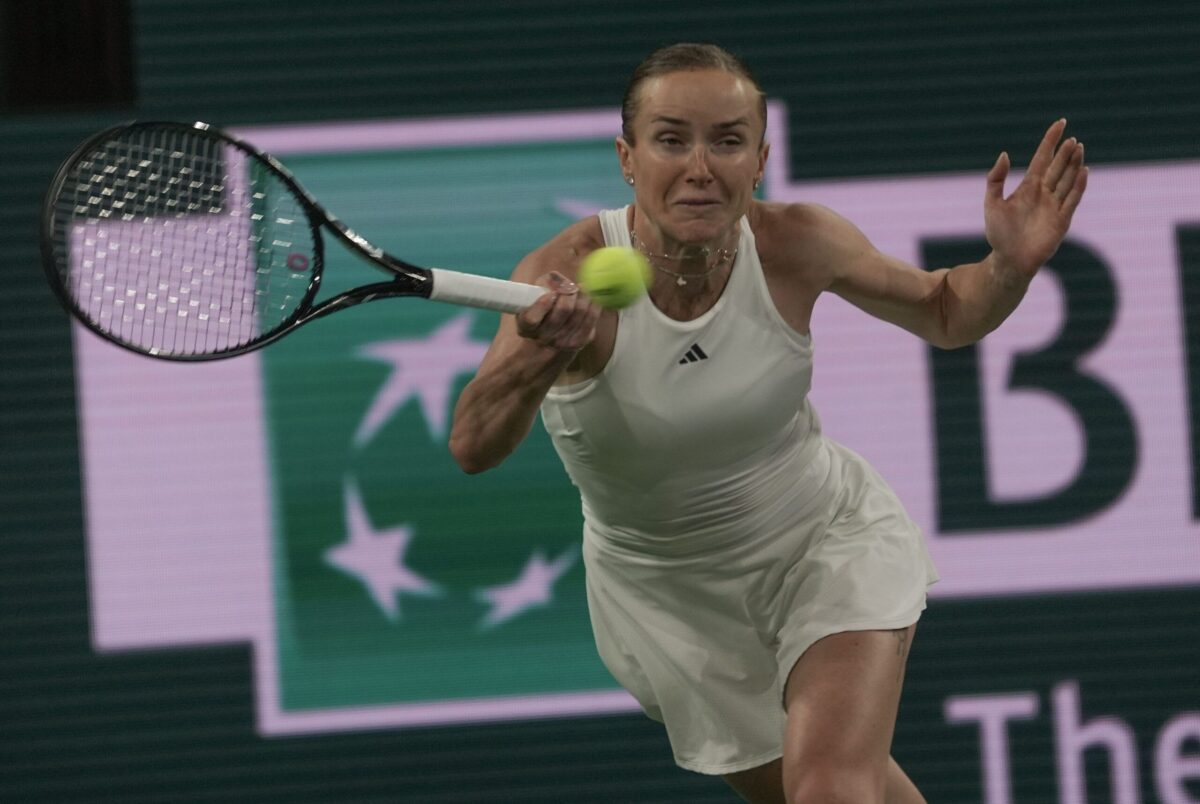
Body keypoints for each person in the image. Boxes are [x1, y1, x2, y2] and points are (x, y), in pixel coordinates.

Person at [449, 42, 1087, 804]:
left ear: (759, 160)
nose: (699, 167)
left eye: (727, 141)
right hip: (668, 602)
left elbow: (947, 310)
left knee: (829, 789)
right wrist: (539, 356)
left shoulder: (795, 242)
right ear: (627, 158)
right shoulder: (560, 272)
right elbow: (473, 445)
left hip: (820, 542)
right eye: (671, 139)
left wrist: (1009, 266)